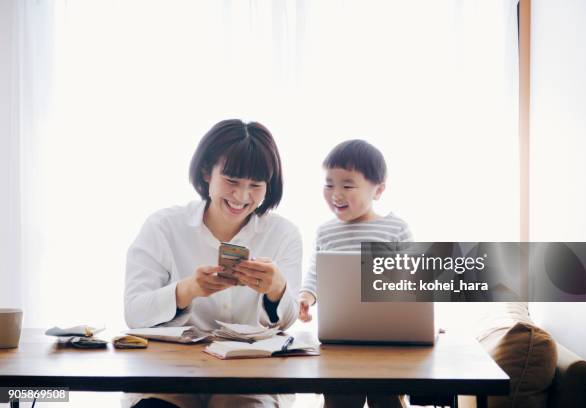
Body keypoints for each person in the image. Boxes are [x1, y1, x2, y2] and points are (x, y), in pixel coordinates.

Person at [124, 119, 302, 408]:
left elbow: (285, 322)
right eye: (231, 181)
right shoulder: (163, 226)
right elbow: (134, 313)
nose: (242, 197)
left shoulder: (283, 234)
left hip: (251, 377)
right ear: (207, 172)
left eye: (255, 186)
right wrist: (188, 289)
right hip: (171, 374)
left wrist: (277, 290)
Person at [298, 139, 413, 408]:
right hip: (339, 337)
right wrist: (306, 295)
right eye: (328, 184)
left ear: (379, 190)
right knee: (339, 399)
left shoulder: (395, 229)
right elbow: (317, 270)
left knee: (388, 399)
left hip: (389, 339)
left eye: (347, 185)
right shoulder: (326, 231)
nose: (336, 194)